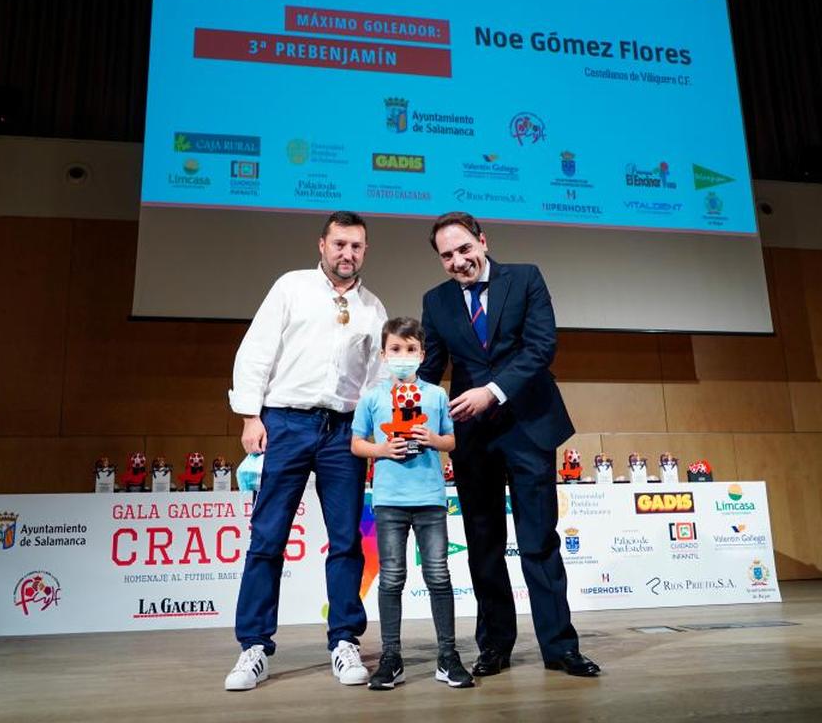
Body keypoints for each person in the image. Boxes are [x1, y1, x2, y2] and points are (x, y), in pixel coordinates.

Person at [418, 212, 600, 678]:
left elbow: (541, 348)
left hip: (528, 425)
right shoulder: (435, 302)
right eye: (447, 256)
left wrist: (492, 391)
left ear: (483, 240)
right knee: (483, 543)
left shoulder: (525, 278)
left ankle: (560, 648)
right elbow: (430, 367)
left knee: (538, 540)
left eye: (464, 249)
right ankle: (494, 647)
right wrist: (397, 400)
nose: (459, 261)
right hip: (472, 436)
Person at [223, 211, 388, 691]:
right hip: (286, 422)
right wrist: (251, 416)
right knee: (267, 536)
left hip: (344, 431)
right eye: (339, 244)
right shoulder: (291, 287)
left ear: (364, 251)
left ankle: (344, 641)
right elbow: (256, 351)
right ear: (322, 245)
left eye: (356, 246)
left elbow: (376, 380)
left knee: (345, 540)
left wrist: (372, 435)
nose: (347, 254)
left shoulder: (372, 308)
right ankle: (253, 646)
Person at [350, 317, 473, 691]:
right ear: (384, 354)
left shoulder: (436, 395)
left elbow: (451, 442)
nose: (403, 356)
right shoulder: (372, 397)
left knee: (438, 575)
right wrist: (382, 449)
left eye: (410, 349)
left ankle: (448, 656)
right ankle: (391, 657)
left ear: (422, 353)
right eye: (395, 350)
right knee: (391, 579)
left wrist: (432, 438)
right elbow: (356, 444)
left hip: (430, 500)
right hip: (389, 500)